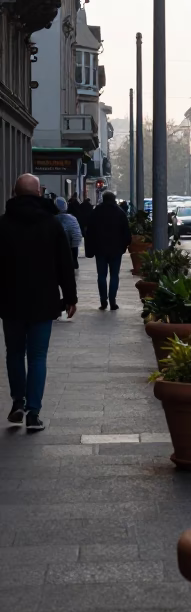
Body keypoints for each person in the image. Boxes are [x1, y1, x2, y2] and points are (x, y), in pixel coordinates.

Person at [0, 174, 77, 432]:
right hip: (43, 300)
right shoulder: (51, 224)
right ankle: (34, 412)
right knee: (37, 356)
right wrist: (70, 297)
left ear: (14, 193)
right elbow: (64, 263)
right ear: (39, 194)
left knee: (14, 353)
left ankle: (17, 403)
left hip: (10, 300)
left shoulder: (2, 224)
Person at [84, 190, 132, 310]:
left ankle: (102, 300)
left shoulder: (96, 212)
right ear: (114, 199)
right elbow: (126, 232)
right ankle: (112, 301)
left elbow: (89, 232)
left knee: (101, 275)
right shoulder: (120, 213)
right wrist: (124, 246)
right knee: (114, 275)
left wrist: (90, 248)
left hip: (100, 249)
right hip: (116, 250)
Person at [55, 197, 82, 269]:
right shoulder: (73, 218)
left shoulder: (55, 219)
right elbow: (76, 233)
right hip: (74, 242)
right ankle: (74, 262)